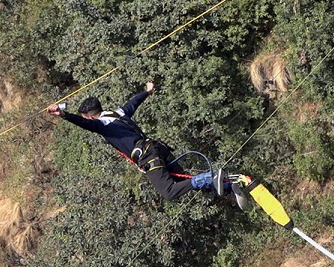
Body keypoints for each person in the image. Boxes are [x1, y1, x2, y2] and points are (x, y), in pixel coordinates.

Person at [47, 83, 221, 201]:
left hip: (148, 157)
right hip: (158, 149)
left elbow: (83, 123)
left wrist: (63, 115)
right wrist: (147, 91)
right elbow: (133, 103)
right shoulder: (118, 113)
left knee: (168, 192)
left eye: (88, 118)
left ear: (91, 116)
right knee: (185, 181)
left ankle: (207, 179)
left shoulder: (101, 124)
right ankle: (224, 185)